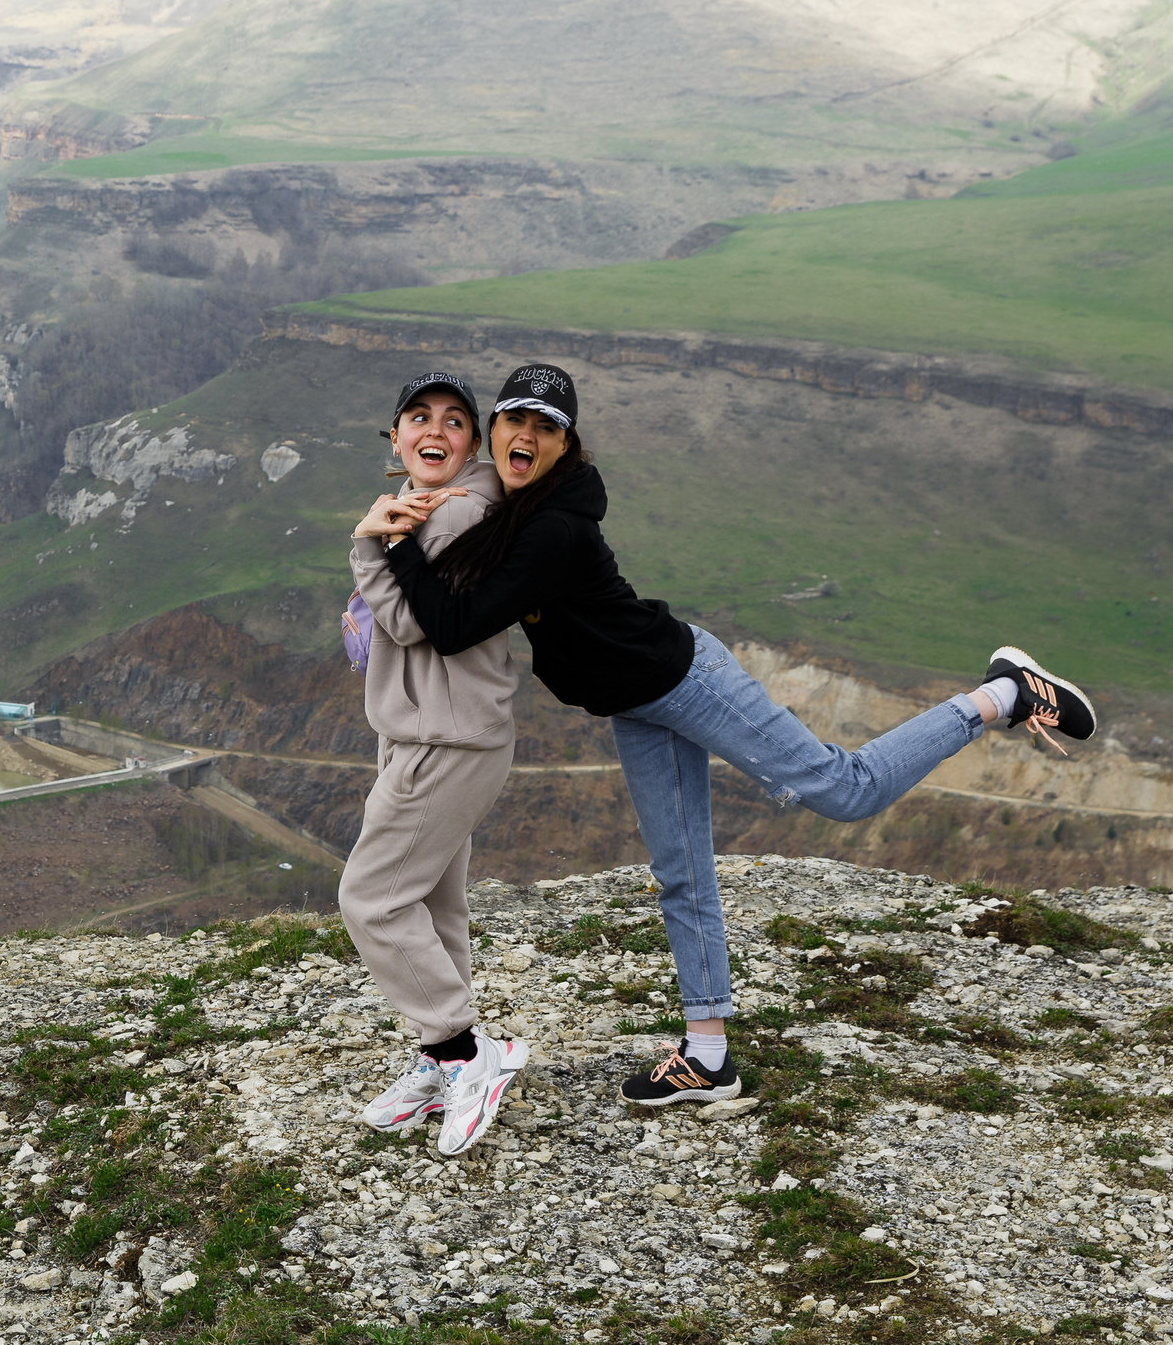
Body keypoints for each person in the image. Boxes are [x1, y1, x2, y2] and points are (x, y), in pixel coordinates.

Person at [363, 361, 1096, 1107]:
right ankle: (708, 1056)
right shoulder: (516, 499)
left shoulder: (551, 528)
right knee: (680, 868)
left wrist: (388, 547)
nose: (526, 434)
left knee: (846, 788)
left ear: (566, 444)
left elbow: (451, 627)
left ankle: (1001, 693)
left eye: (545, 426)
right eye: (514, 420)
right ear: (494, 433)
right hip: (637, 702)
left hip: (686, 680)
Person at [341, 372, 528, 1154]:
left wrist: (366, 541)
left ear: (472, 443)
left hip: (443, 742)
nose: (435, 430)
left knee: (374, 900)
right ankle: (440, 1056)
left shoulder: (460, 513)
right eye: (418, 417)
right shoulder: (433, 507)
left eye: (455, 421)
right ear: (394, 437)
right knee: (432, 904)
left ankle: (464, 1056)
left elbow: (413, 624)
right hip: (430, 730)